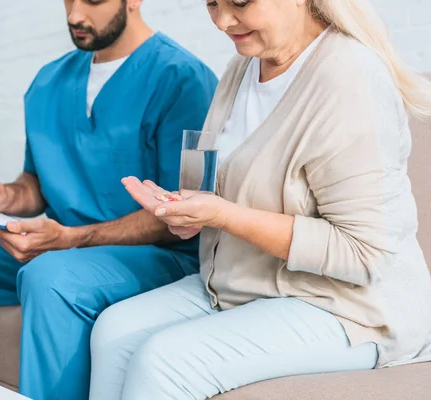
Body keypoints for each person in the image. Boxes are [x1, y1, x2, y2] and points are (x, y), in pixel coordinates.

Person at [88, 0, 431, 399]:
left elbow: (365, 253)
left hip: (347, 307)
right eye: (212, 4)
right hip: (244, 286)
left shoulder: (348, 78)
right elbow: (224, 187)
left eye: (239, 2)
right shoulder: (242, 68)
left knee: (164, 361)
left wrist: (225, 215)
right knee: (115, 330)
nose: (222, 21)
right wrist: (187, 213)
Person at [0, 0, 218, 399]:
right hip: (60, 246)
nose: (74, 15)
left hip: (156, 255)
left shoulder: (183, 80)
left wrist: (72, 239)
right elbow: (37, 186)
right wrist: (1, 195)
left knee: (49, 278)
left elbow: (179, 213)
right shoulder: (49, 82)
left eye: (93, 1)